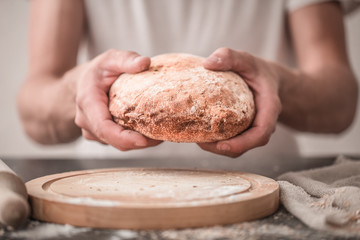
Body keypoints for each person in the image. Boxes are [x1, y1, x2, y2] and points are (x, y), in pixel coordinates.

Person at [17, 0, 358, 176]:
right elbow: (34, 109)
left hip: (262, 181)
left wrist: (279, 82)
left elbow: (339, 101)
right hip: (110, 183)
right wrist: (79, 86)